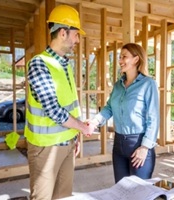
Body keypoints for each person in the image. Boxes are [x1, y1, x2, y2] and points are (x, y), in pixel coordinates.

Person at [24, 4, 95, 200]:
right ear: (63, 33)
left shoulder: (64, 64)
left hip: (67, 143)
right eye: (76, 35)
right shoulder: (40, 64)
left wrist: (76, 135)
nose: (78, 40)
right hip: (45, 148)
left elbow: (70, 104)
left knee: (64, 197)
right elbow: (54, 110)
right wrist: (82, 127)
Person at [89, 43, 160, 183]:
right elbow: (109, 108)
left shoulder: (148, 84)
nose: (120, 61)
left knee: (140, 194)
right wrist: (94, 121)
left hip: (139, 144)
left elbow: (154, 118)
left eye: (124, 57)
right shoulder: (118, 85)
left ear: (136, 59)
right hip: (119, 145)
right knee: (121, 191)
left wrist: (145, 147)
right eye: (120, 57)